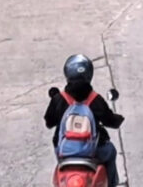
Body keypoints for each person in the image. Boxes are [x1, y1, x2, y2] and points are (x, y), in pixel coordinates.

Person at [44, 54, 125, 187]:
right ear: (89, 74)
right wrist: (119, 119)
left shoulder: (59, 99)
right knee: (111, 151)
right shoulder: (95, 100)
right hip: (93, 152)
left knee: (60, 164)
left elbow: (49, 122)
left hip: (64, 153)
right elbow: (110, 121)